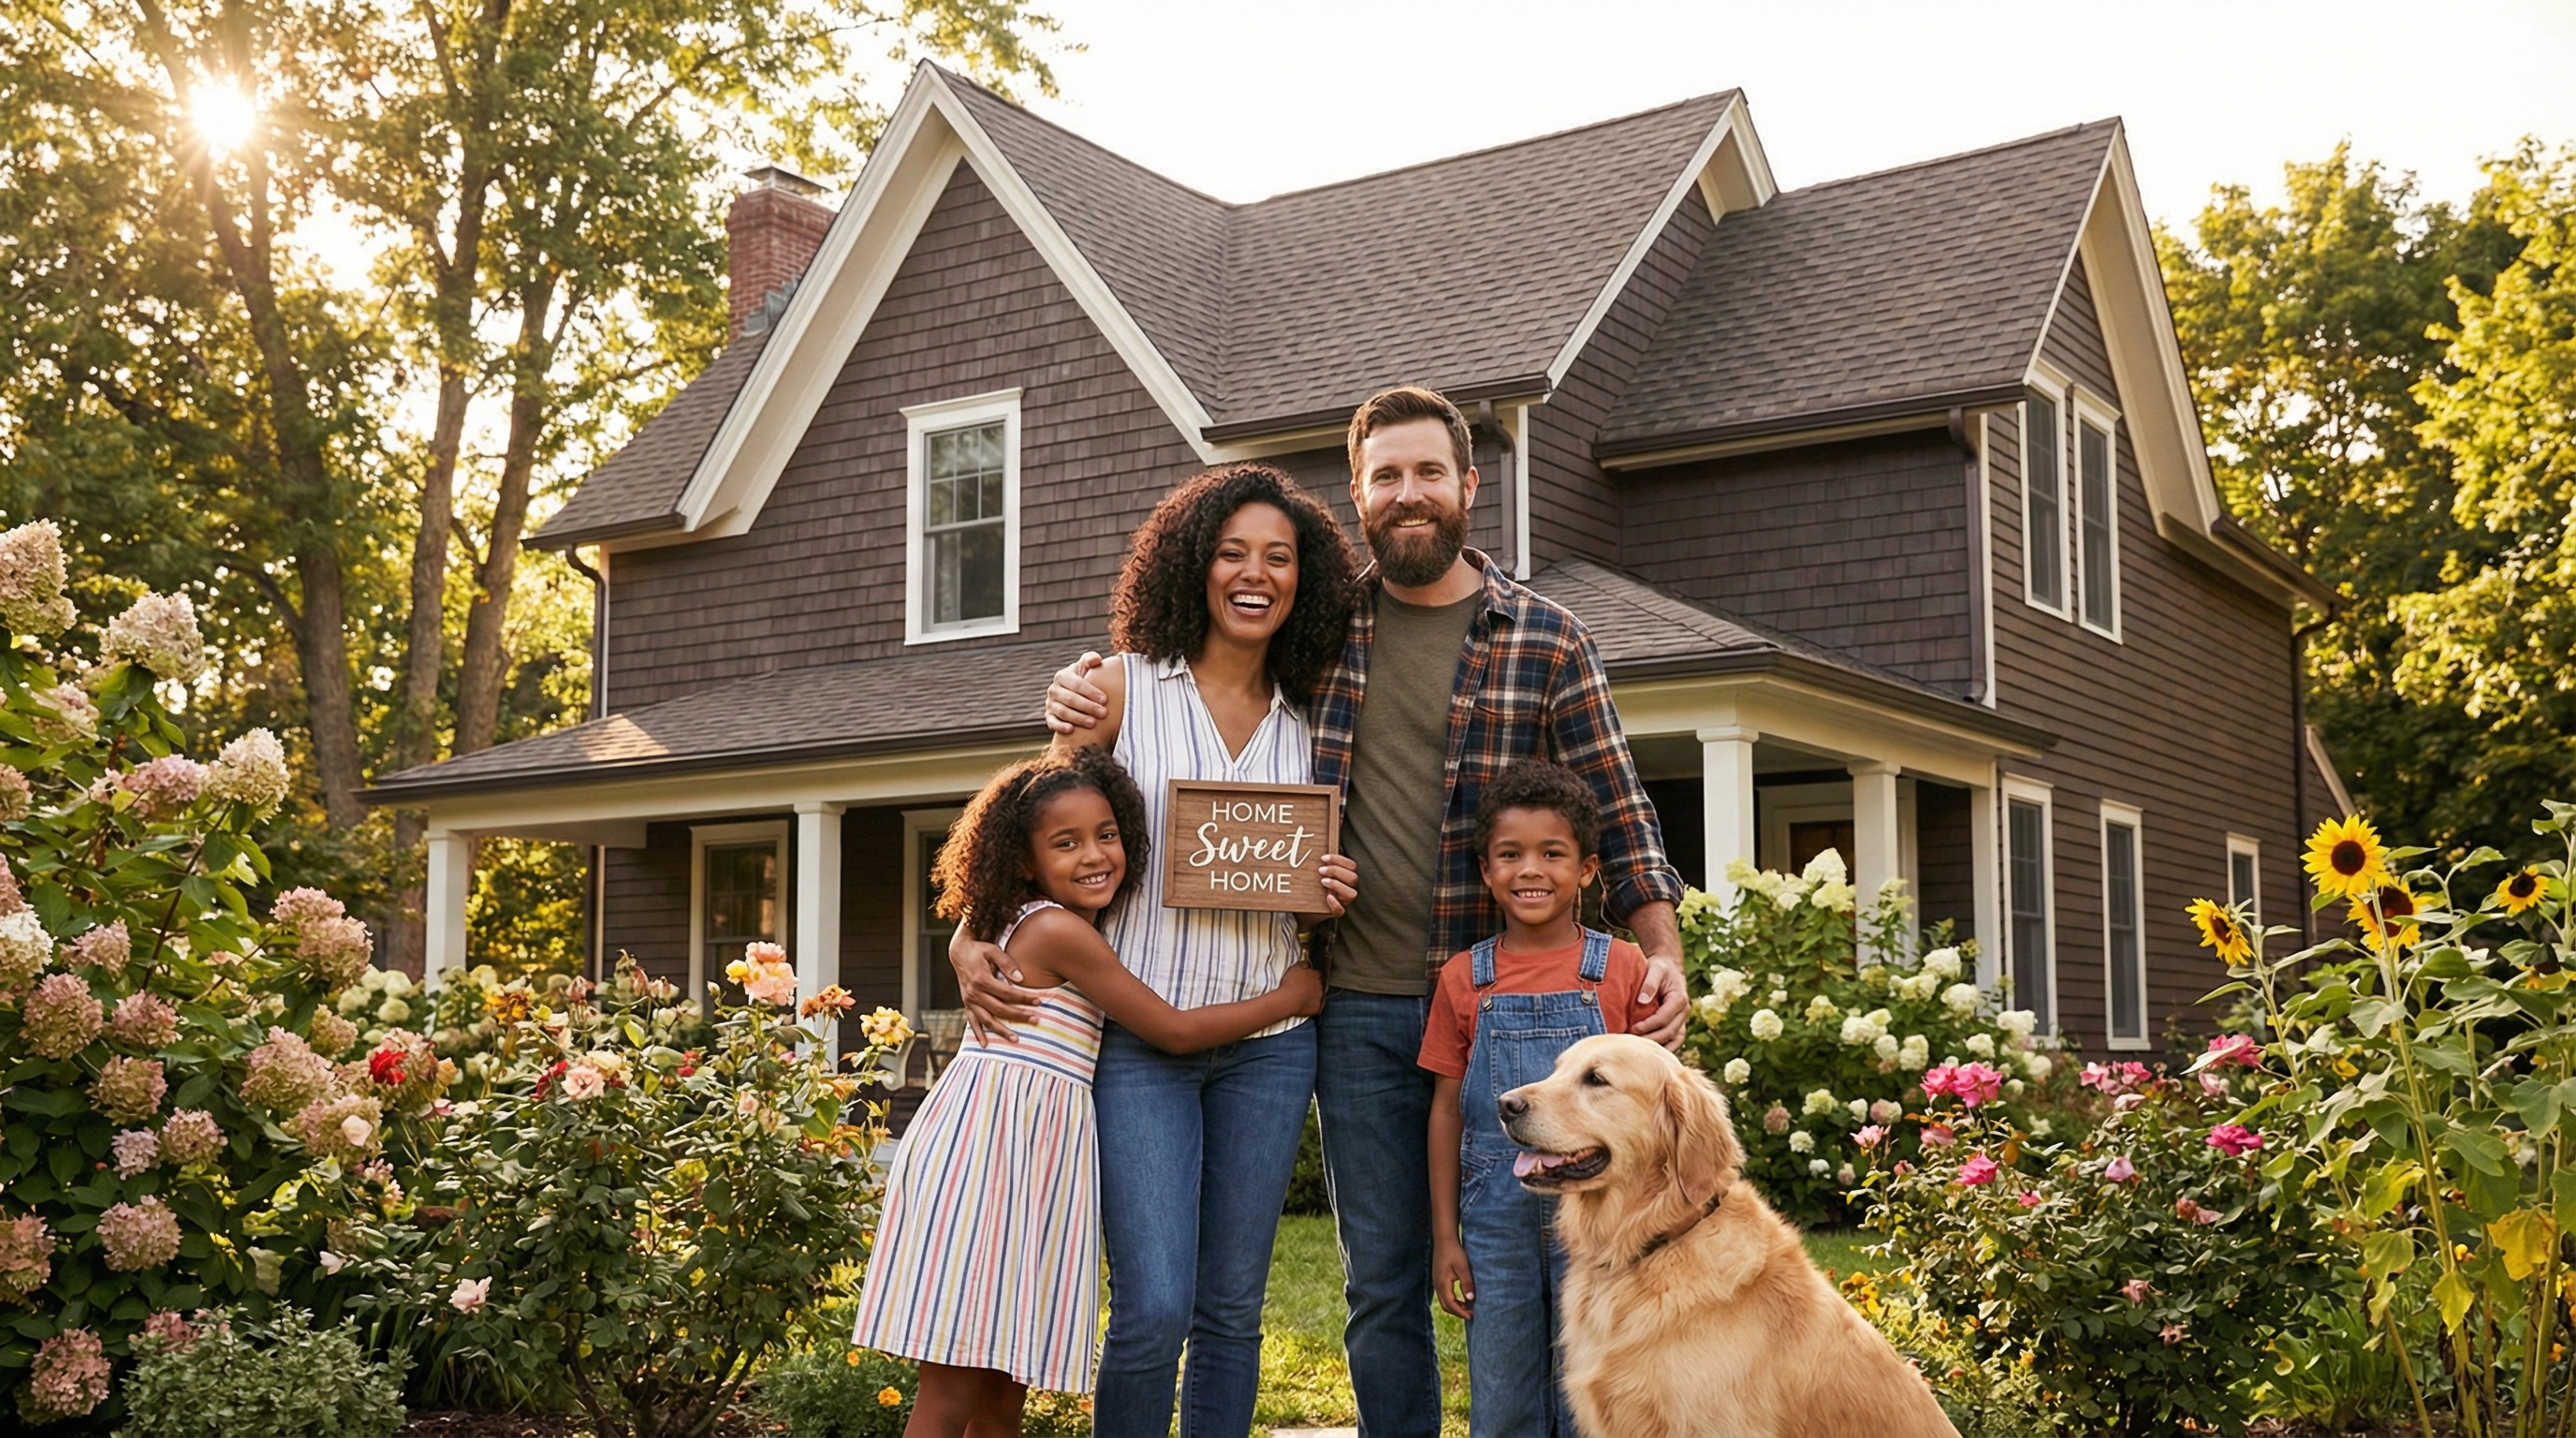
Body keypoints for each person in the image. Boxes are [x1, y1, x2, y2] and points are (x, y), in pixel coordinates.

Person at [1028, 387, 1690, 1436]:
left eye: (1430, 472)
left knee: (1525, 1273)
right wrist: (1080, 695)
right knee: (1381, 1286)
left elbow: (1619, 809)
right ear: (1360, 495)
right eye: (1388, 475)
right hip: (1350, 1010)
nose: (1410, 493)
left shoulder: (1547, 639)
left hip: (1503, 1020)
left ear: (1469, 487)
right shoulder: (1321, 636)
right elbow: (1167, 710)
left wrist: (1661, 951)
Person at [948, 463, 1361, 1438]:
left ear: (1303, 582)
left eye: (1279, 557)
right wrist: (970, 937)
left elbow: (1313, 871)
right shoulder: (1116, 692)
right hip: (1137, 1048)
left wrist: (1330, 886)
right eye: (1232, 553)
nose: (1254, 574)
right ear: (1192, 565)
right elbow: (1032, 836)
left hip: (1268, 1050)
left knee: (1231, 1313)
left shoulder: (1311, 727)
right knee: (1153, 1308)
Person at [854, 746, 1324, 1438]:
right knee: (953, 1386)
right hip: (993, 1157)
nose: (1094, 855)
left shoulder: (1044, 918)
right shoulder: (1057, 930)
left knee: (1003, 1387)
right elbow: (1172, 1030)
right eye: (1065, 843)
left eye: (1106, 835)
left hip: (1032, 1163)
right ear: (1023, 860)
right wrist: (1289, 997)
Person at [1422, 760, 1657, 1438]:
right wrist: (1446, 1238)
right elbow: (1445, 1111)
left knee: (1594, 1390)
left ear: (1586, 870)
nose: (1531, 869)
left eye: (1552, 854)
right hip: (1495, 1220)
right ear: (1487, 871)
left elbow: (1648, 1107)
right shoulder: (1465, 977)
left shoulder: (1621, 968)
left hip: (1602, 1219)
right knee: (1502, 1397)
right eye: (1510, 855)